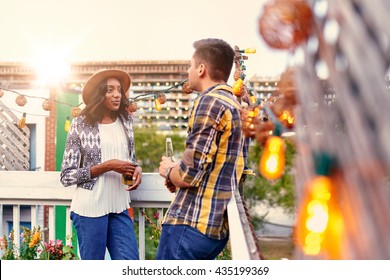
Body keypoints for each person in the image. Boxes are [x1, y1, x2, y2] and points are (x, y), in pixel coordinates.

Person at [157, 38, 246, 260]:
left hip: (191, 224)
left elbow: (188, 175)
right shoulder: (235, 105)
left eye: (190, 65)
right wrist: (176, 173)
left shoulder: (209, 102)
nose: (188, 71)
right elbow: (211, 163)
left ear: (201, 69)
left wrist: (168, 169)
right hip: (214, 228)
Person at [60, 69, 142, 260]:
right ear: (99, 94)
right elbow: (66, 175)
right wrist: (107, 166)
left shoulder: (126, 121)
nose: (116, 95)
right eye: (109, 90)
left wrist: (136, 168)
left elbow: (130, 158)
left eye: (119, 90)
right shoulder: (80, 123)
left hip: (119, 206)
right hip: (90, 209)